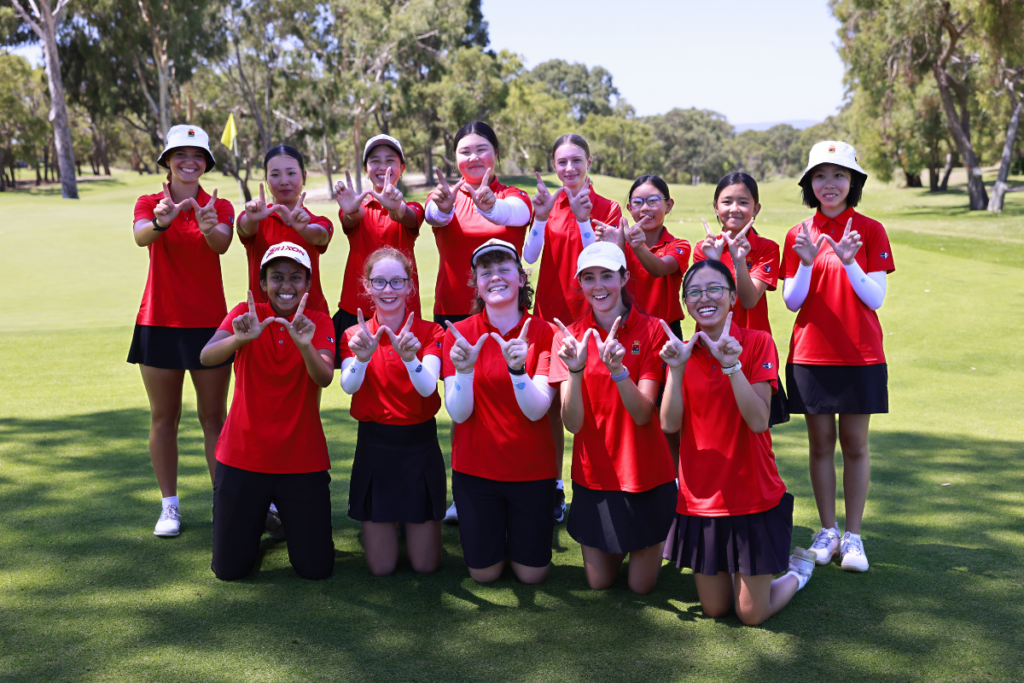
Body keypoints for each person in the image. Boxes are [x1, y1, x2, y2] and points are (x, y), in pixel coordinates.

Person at [661, 260, 817, 624]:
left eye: (715, 289)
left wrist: (731, 366)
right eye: (694, 292)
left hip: (752, 494)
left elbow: (759, 419)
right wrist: (676, 369)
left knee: (751, 614)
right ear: (686, 304)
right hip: (701, 500)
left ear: (733, 297)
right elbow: (669, 423)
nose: (704, 298)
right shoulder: (681, 351)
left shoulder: (757, 342)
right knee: (716, 609)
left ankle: (798, 572)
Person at [782, 141, 894, 573]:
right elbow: (792, 301)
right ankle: (827, 531)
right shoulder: (798, 234)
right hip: (811, 355)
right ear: (810, 183)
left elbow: (876, 297)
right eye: (821, 176)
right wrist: (808, 263)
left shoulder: (870, 230)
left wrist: (848, 263)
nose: (830, 184)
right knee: (820, 445)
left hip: (861, 355)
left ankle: (854, 537)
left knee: (856, 445)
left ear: (854, 182)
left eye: (839, 175)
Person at [200, 242, 336, 580]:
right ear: (263, 283)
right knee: (230, 570)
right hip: (243, 456)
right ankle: (262, 516)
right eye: (277, 277)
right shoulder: (246, 314)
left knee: (315, 569)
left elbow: (325, 376)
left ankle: (275, 518)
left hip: (301, 458)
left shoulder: (317, 321)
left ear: (308, 283)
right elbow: (207, 356)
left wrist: (305, 346)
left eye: (295, 278)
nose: (286, 286)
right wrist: (238, 340)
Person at [549, 242, 676, 594]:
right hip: (596, 477)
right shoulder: (567, 337)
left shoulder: (652, 330)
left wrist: (618, 371)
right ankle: (628, 540)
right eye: (589, 277)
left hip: (646, 474)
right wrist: (575, 371)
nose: (598, 286)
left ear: (624, 277)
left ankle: (654, 533)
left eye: (607, 275)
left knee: (640, 587)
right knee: (599, 583)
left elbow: (643, 412)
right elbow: (572, 424)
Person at [128, 124, 235, 537]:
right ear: (168, 161)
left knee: (214, 418)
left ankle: (223, 500)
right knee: (163, 418)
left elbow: (223, 243)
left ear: (205, 163)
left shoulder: (218, 205)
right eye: (180, 155)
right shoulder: (150, 202)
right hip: (158, 321)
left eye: (197, 156)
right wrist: (161, 222)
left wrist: (208, 225)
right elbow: (140, 237)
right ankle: (169, 507)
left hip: (210, 325)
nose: (189, 162)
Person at [425, 121, 534, 523]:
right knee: (463, 408)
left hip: (508, 315)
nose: (473, 158)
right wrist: (441, 203)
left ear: (496, 154)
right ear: (454, 159)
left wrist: (489, 204)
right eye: (465, 151)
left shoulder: (513, 195)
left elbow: (514, 212)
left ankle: (535, 489)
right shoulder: (445, 196)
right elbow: (434, 216)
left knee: (522, 403)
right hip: (456, 315)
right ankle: (465, 492)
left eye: (481, 149)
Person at [441, 239, 557, 584]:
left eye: (504, 269)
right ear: (476, 283)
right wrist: (465, 371)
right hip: (476, 473)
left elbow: (537, 411)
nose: (495, 277)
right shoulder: (459, 334)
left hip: (532, 472)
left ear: (521, 278)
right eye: (485, 271)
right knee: (484, 575)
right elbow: (459, 414)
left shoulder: (543, 331)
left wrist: (517, 370)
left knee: (532, 576)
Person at [524, 133, 623, 523]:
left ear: (590, 161)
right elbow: (528, 256)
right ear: (554, 166)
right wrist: (542, 216)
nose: (569, 168)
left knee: (592, 406)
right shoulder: (550, 203)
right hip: (551, 319)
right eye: (561, 162)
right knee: (552, 408)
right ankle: (554, 486)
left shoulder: (608, 207)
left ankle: (597, 485)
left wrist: (584, 220)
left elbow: (600, 260)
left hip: (594, 318)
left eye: (576, 160)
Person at [339, 247, 445, 576]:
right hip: (375, 448)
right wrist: (363, 356)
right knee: (382, 568)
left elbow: (428, 387)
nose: (388, 290)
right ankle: (391, 523)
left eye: (397, 282)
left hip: (420, 447)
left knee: (425, 566)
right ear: (367, 287)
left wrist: (410, 357)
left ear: (410, 287)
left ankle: (407, 523)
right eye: (379, 282)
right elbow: (348, 386)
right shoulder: (354, 334)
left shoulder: (431, 332)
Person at [695, 172, 788, 426]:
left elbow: (747, 300)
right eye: (726, 202)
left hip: (753, 351)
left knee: (756, 433)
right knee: (712, 429)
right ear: (715, 206)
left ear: (756, 208)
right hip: (710, 350)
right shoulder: (703, 249)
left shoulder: (767, 248)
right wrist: (713, 260)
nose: (734, 209)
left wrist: (738, 261)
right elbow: (709, 303)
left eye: (743, 202)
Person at [334, 134, 425, 362]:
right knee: (358, 378)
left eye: (390, 160)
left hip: (400, 310)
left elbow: (408, 216)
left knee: (404, 374)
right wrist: (351, 209)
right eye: (375, 160)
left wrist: (396, 207)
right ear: (366, 168)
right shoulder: (357, 205)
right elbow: (350, 219)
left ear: (401, 168)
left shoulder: (411, 206)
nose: (382, 167)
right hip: (357, 310)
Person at [237, 145, 334, 316]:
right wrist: (251, 219)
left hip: (310, 318)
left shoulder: (318, 221)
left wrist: (304, 228)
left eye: (291, 173)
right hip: (262, 321)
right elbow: (244, 229)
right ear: (266, 179)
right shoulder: (255, 219)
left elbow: (321, 236)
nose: (284, 181)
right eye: (275, 175)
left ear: (304, 176)